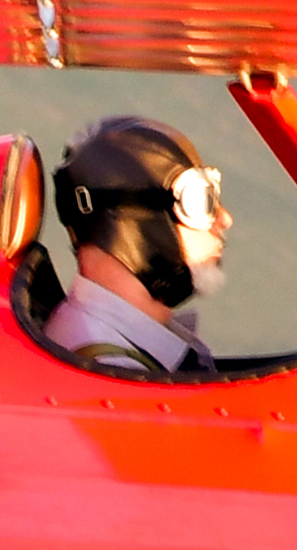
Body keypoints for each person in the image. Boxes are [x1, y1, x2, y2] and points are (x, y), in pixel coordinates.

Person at [37, 115, 234, 374]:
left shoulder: (125, 347)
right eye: (199, 200)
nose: (224, 219)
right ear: (133, 223)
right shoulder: (108, 368)